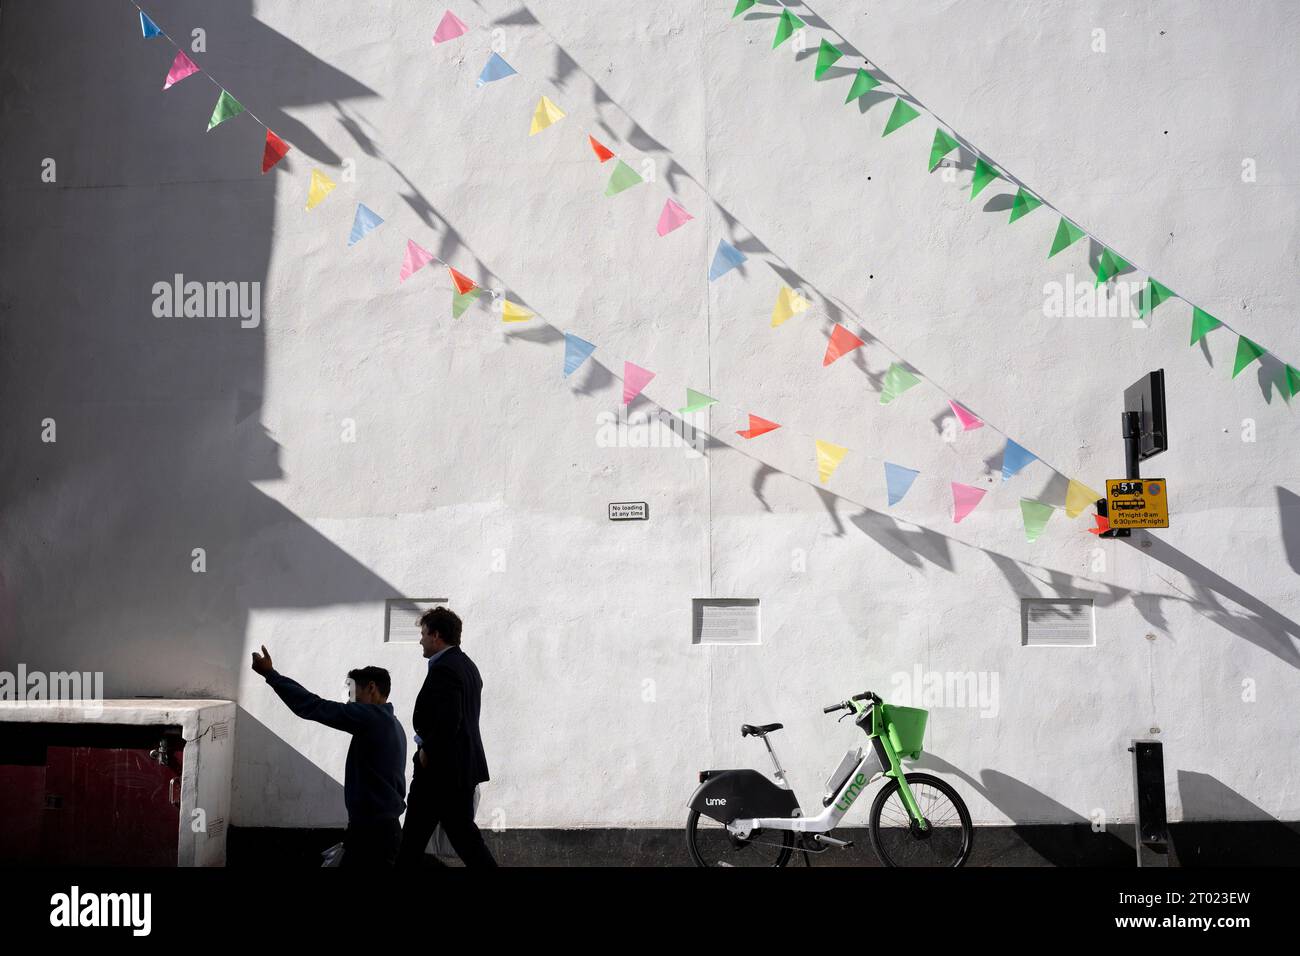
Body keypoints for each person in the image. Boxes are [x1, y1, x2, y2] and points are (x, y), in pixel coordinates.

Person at [251, 646, 407, 867]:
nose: (349, 702)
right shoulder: (392, 724)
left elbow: (313, 706)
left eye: (354, 693)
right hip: (378, 830)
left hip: (373, 834)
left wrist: (271, 674)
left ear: (371, 688)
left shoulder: (372, 718)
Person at [397, 607, 498, 867]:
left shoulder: (445, 669)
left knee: (412, 842)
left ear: (436, 635)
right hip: (458, 771)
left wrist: (426, 753)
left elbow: (449, 721)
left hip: (439, 773)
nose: (421, 640)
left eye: (423, 633)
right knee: (464, 838)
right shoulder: (467, 666)